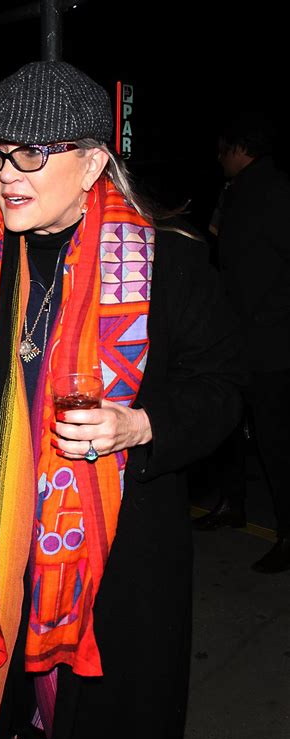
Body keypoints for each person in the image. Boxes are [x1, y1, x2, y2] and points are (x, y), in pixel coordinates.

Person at [0, 62, 244, 739]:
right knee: (18, 659)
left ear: (95, 160)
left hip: (114, 532)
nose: (3, 173)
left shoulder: (169, 261)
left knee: (95, 688)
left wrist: (142, 426)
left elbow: (221, 390)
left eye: (30, 154)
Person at [193, 111, 290, 573]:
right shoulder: (239, 192)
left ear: (237, 149)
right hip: (242, 339)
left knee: (275, 440)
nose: (219, 160)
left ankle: (288, 534)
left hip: (268, 344)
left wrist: (264, 314)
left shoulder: (272, 191)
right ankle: (233, 504)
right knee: (230, 425)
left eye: (222, 151)